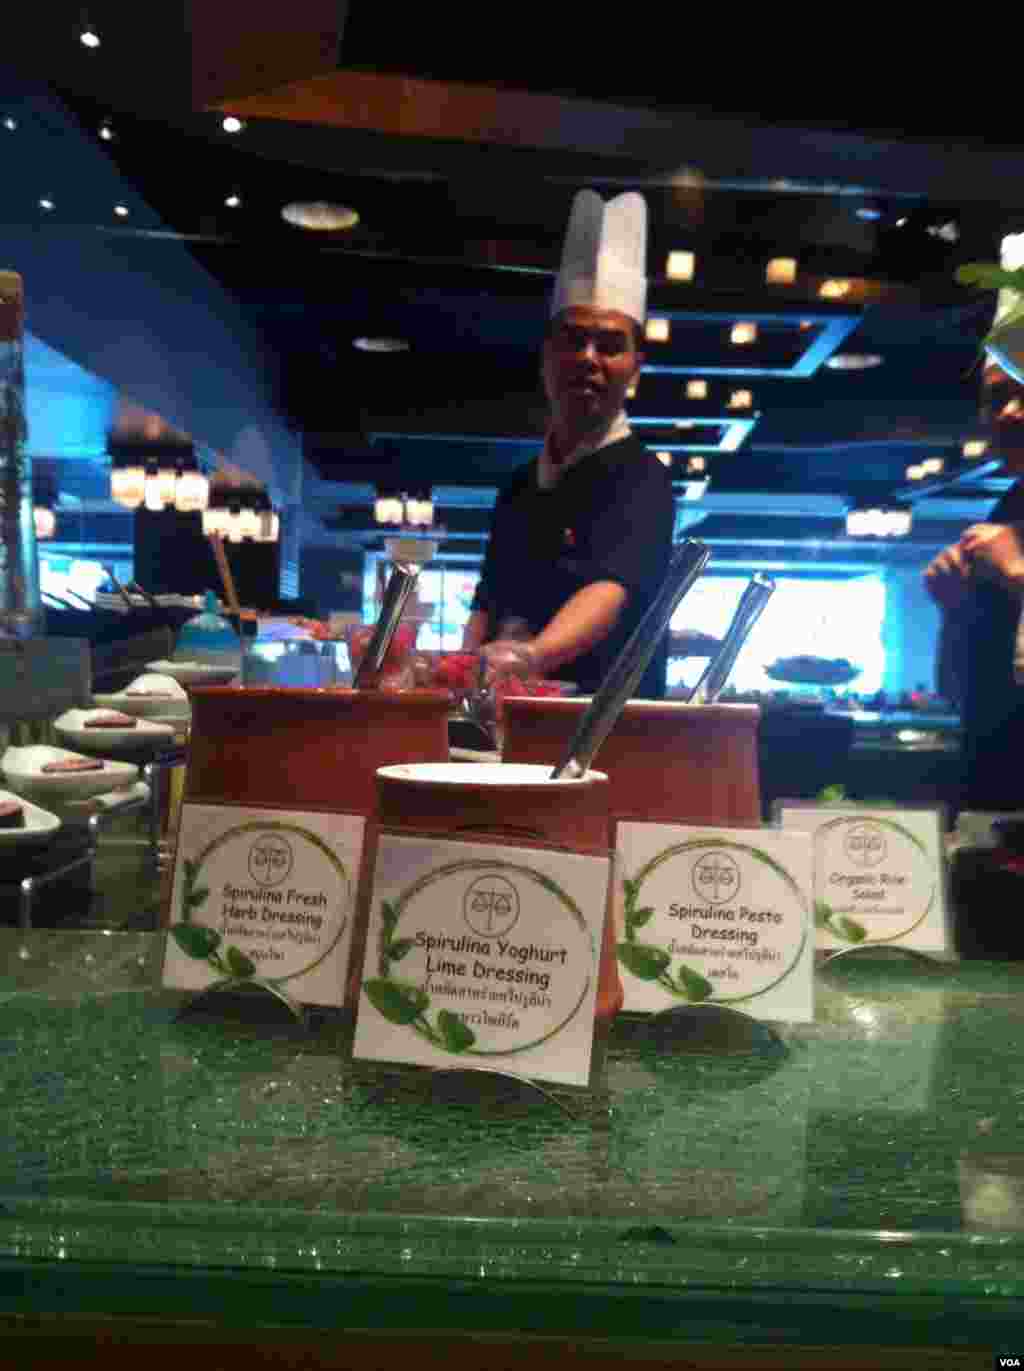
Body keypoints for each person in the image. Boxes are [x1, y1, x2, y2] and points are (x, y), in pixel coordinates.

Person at [462, 190, 677, 699]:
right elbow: (487, 603)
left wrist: (531, 656)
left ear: (635, 366)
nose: (588, 357)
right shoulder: (518, 486)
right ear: (546, 356)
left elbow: (610, 589)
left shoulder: (644, 480)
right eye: (574, 339)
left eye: (609, 345)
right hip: (507, 717)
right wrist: (461, 670)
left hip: (602, 733)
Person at [925, 469, 1024, 812]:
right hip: (989, 784)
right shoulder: (1012, 500)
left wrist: (1015, 574)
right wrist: (954, 608)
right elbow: (955, 691)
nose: (1008, 412)